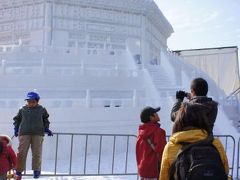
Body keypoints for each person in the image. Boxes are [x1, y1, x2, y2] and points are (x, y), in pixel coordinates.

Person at [160, 103, 229, 180]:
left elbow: (164, 177)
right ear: (202, 120)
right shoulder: (215, 143)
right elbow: (225, 171)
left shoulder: (170, 147)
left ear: (178, 121)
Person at [13, 92, 53, 180]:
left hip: (37, 133)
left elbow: (46, 119)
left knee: (37, 152)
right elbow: (17, 119)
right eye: (28, 101)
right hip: (24, 133)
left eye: (32, 101)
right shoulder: (22, 109)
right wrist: (16, 128)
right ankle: (18, 171)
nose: (30, 103)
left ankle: (36, 170)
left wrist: (46, 128)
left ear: (37, 101)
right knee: (21, 153)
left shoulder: (42, 109)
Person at [136, 106, 166, 180]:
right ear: (151, 117)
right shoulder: (159, 132)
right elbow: (162, 151)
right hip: (154, 170)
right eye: (155, 113)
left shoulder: (141, 132)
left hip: (143, 169)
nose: (157, 114)